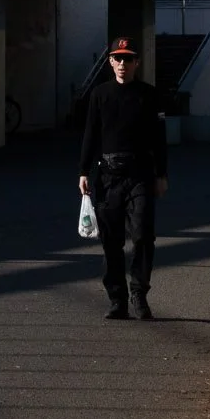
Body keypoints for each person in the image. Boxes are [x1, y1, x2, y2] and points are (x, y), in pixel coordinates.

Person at [78, 37, 168, 320]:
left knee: (142, 236)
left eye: (128, 58)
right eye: (117, 58)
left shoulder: (149, 94)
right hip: (108, 177)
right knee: (111, 241)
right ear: (110, 62)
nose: (122, 63)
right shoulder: (99, 94)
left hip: (140, 174)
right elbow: (90, 134)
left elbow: (159, 138)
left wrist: (162, 174)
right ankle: (117, 300)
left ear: (137, 63)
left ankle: (139, 295)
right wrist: (83, 171)